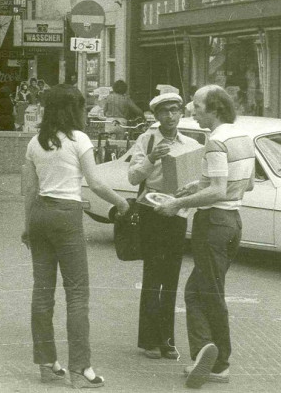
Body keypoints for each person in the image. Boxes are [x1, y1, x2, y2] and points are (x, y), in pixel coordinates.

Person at [22, 84, 130, 389]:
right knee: (77, 294)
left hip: (39, 214)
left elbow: (29, 190)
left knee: (42, 292)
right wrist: (121, 202)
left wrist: (27, 225)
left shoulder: (34, 143)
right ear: (73, 109)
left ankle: (46, 364)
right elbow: (95, 184)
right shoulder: (78, 140)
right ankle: (80, 369)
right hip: (67, 216)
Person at [154, 85, 255, 389]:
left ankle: (219, 362)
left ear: (214, 109)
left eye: (197, 106)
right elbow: (246, 184)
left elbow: (217, 190)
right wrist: (194, 187)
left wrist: (177, 203)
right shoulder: (243, 137)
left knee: (209, 293)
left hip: (213, 222)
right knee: (198, 291)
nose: (191, 110)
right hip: (233, 221)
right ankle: (204, 355)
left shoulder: (216, 142)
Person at [128, 92, 195, 361]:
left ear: (181, 113)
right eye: (165, 111)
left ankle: (167, 341)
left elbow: (192, 179)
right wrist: (152, 158)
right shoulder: (146, 139)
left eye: (175, 110)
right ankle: (148, 341)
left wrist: (184, 205)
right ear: (156, 116)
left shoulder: (189, 142)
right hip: (152, 210)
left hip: (176, 211)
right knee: (153, 275)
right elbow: (133, 177)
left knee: (171, 277)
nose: (170, 115)